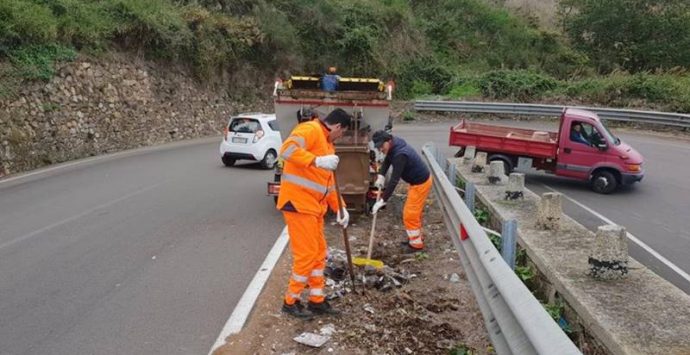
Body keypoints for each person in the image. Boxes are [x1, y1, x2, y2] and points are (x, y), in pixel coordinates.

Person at [276, 108, 352, 319]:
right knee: (307, 255)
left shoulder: (328, 145)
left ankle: (316, 300)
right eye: (343, 132)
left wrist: (341, 208)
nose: (341, 136)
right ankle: (290, 302)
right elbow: (286, 150)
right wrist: (316, 161)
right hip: (298, 204)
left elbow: (329, 186)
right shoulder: (310, 129)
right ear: (337, 126)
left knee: (319, 254)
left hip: (313, 208)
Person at [371, 130, 433, 251]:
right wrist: (381, 175)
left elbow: (394, 180)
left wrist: (383, 200)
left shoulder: (400, 154)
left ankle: (416, 245)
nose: (380, 150)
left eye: (381, 146)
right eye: (378, 147)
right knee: (413, 213)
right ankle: (416, 238)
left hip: (420, 184)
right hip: (417, 181)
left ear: (388, 141)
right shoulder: (394, 144)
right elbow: (388, 160)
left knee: (409, 215)